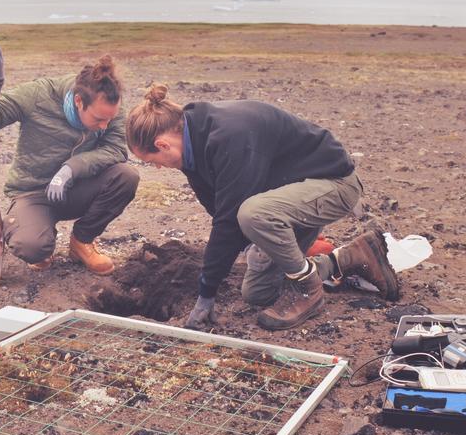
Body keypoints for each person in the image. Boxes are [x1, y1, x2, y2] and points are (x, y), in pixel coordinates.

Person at [126, 84, 399, 331]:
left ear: (162, 144)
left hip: (333, 185)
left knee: (252, 214)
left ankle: (308, 291)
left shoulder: (229, 135)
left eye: (153, 161)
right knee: (258, 293)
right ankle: (348, 258)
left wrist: (206, 293)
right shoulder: (192, 149)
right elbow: (218, 209)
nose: (158, 167)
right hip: (289, 197)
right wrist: (249, 247)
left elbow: (230, 220)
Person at [0, 38, 139, 275]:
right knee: (32, 247)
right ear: (78, 101)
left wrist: (71, 169)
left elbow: (116, 150)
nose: (104, 125)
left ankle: (82, 242)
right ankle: (40, 235)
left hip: (76, 188)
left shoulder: (109, 106)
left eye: (109, 119)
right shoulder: (38, 95)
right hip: (33, 192)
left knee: (126, 176)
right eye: (98, 119)